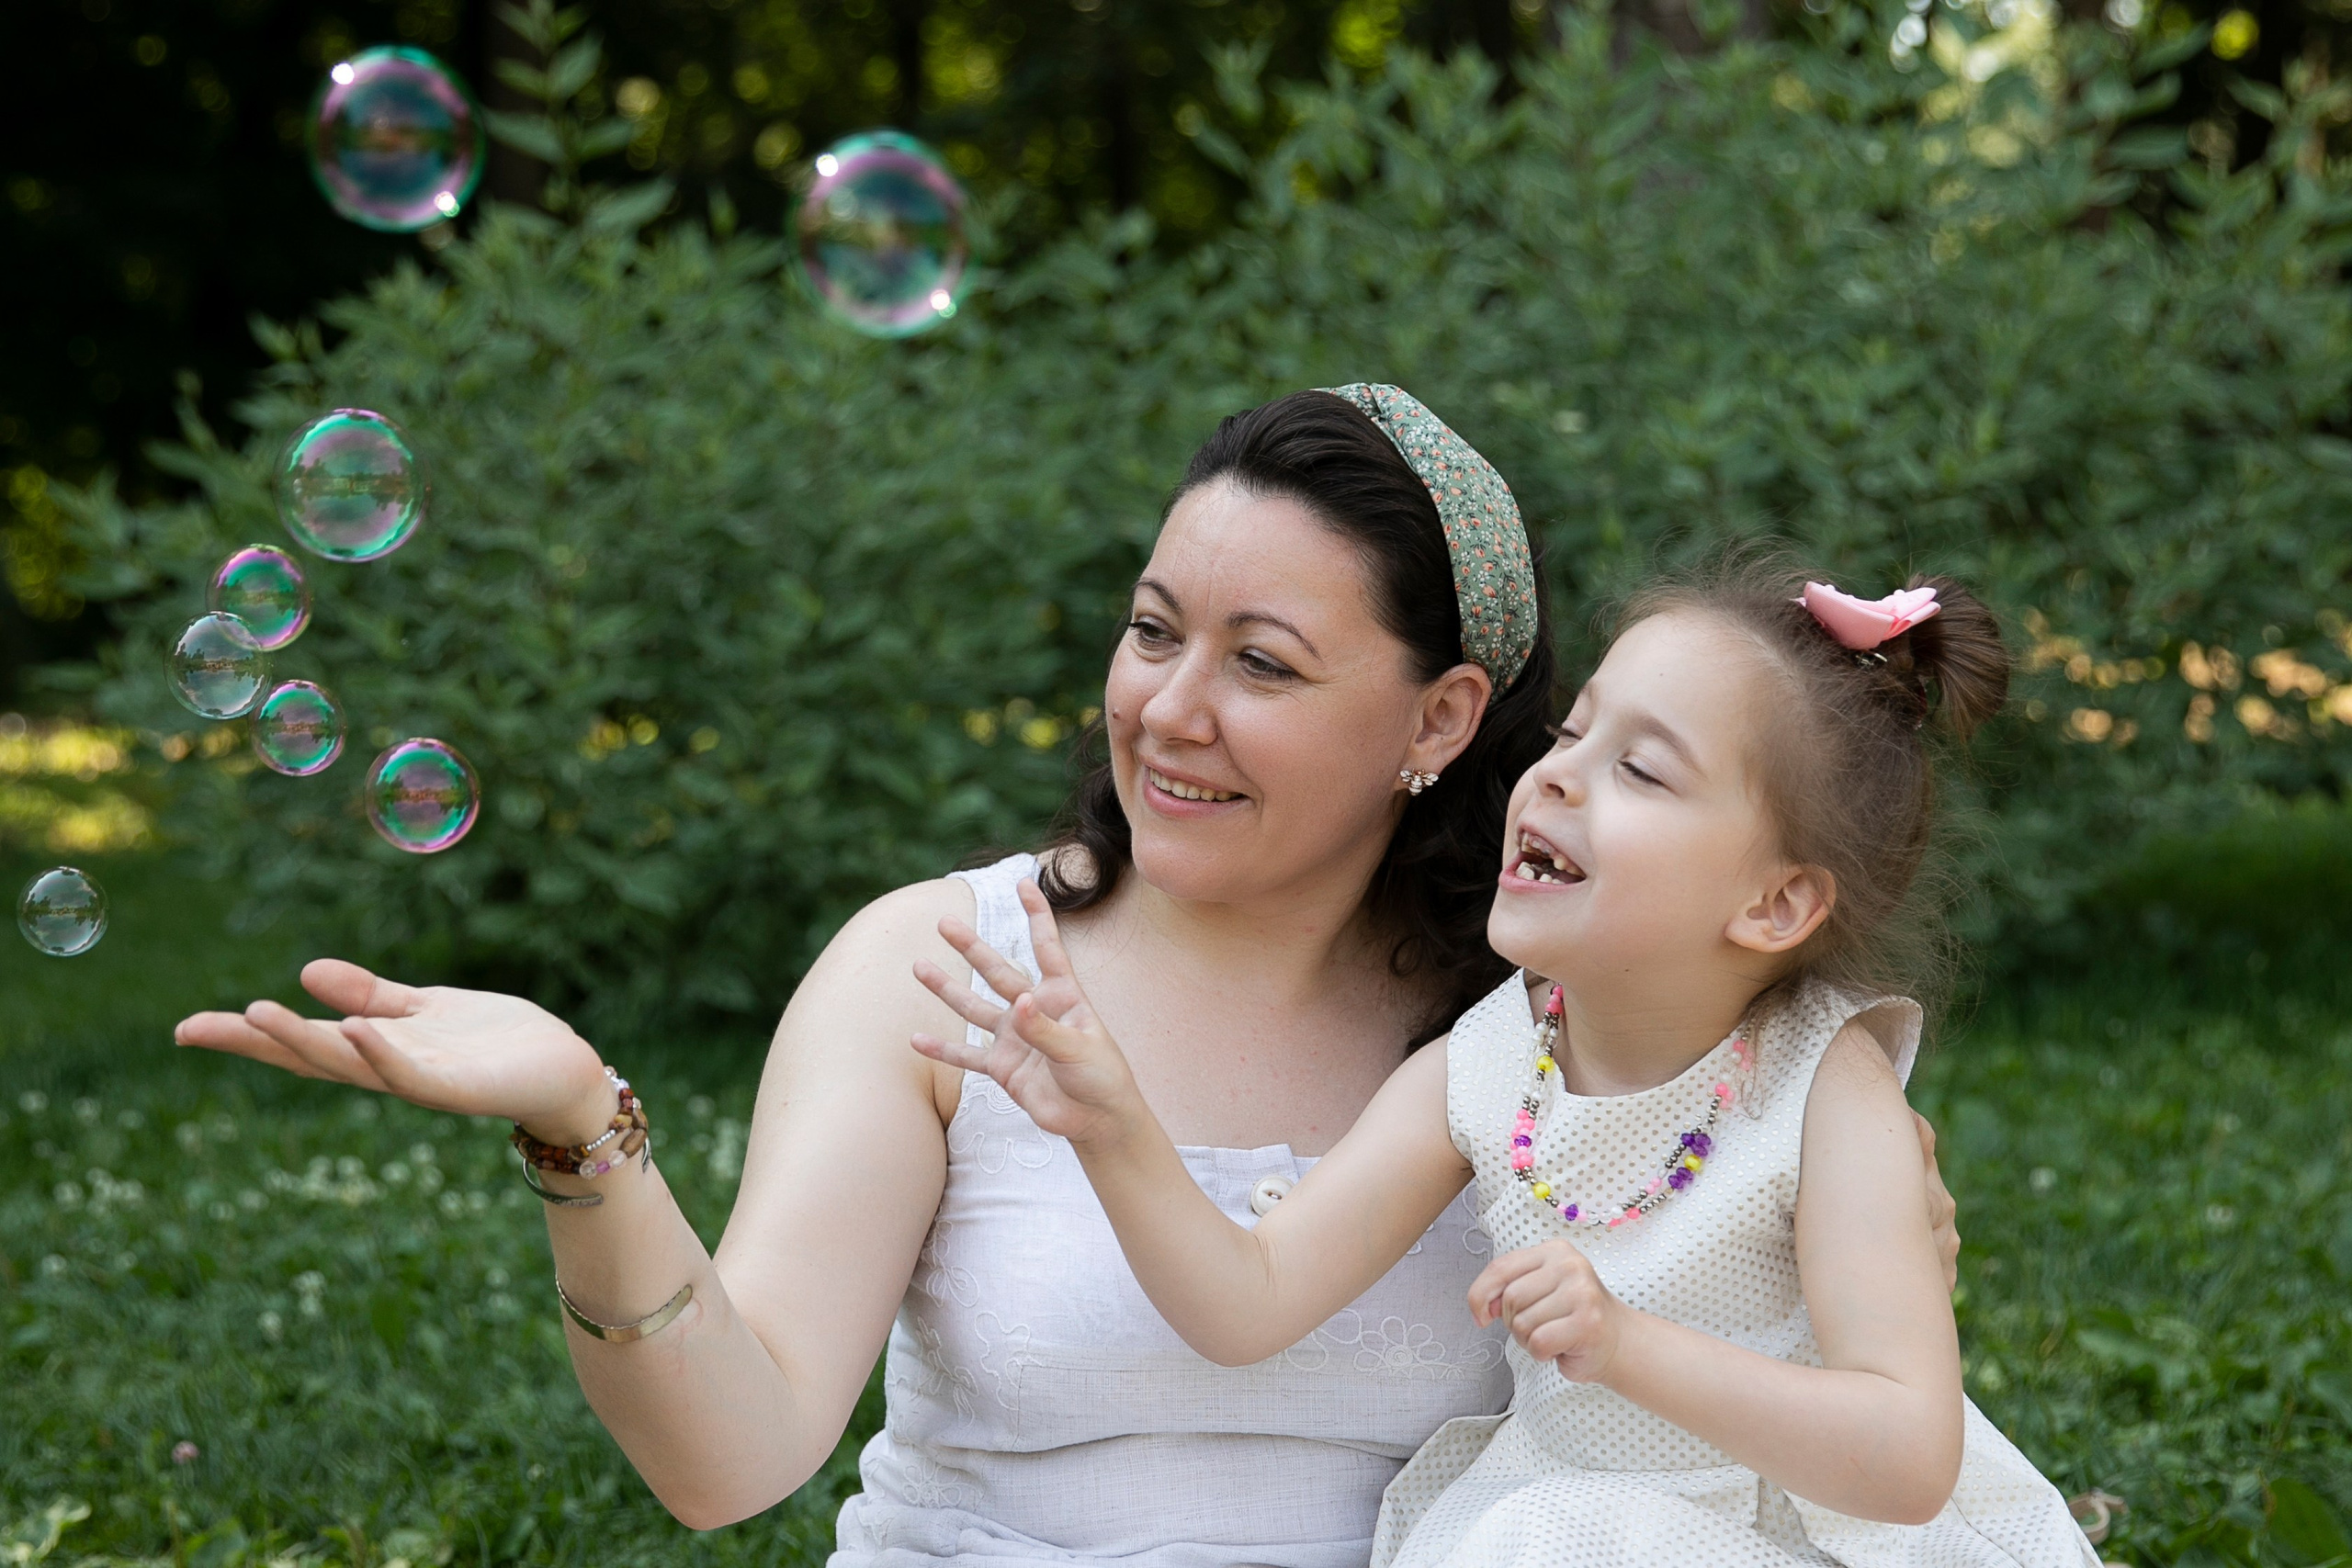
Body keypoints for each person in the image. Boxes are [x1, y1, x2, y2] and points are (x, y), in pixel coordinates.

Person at [175, 389, 1961, 1567]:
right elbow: (729, 1454)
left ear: (1438, 719)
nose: (1166, 710)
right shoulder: (941, 969)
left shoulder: (1548, 1026)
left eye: (1260, 661)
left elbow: (1769, 1316)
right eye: (1149, 627)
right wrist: (586, 1136)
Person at [912, 558, 2091, 1568]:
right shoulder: (1486, 1066)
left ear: (1776, 903)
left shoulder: (1822, 1092)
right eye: (1576, 732)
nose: (1561, 774)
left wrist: (1628, 1349)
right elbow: (1248, 1299)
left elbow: (1904, 1457)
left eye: (1642, 770)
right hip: (1557, 1524)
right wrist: (1115, 1130)